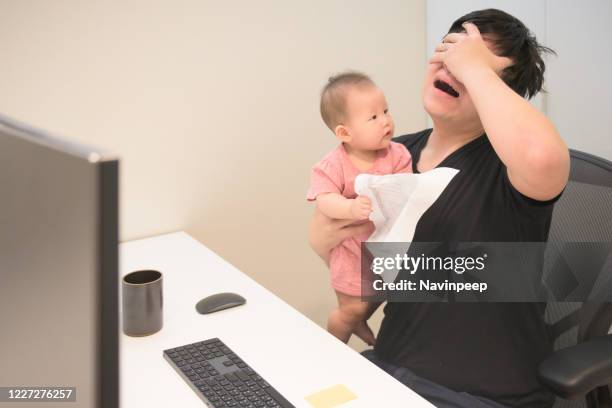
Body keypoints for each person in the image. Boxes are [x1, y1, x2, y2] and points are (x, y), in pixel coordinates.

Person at [308, 9, 569, 408]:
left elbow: (544, 157)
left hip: (483, 394)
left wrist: (472, 67)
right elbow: (367, 246)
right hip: (389, 370)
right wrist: (327, 241)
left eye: (475, 64)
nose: (454, 68)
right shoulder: (394, 155)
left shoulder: (514, 168)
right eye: (448, 51)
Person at [307, 72, 412, 345]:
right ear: (344, 132)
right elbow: (325, 198)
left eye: (386, 111)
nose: (386, 121)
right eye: (373, 117)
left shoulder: (398, 154)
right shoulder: (332, 165)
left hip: (384, 246)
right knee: (352, 307)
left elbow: (406, 186)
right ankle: (334, 343)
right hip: (352, 253)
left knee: (377, 297)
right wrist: (350, 207)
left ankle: (358, 324)